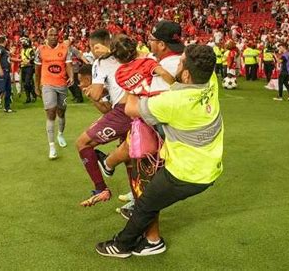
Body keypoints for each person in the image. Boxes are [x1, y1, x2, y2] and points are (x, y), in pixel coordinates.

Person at [96, 44, 224, 258]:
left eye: (181, 61)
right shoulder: (210, 81)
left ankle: (123, 245)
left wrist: (132, 84)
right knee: (151, 200)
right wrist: (156, 70)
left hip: (186, 173)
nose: (177, 62)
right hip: (209, 166)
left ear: (185, 73)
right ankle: (149, 240)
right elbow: (177, 84)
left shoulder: (172, 102)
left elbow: (130, 109)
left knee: (145, 203)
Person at [76, 29, 132, 206]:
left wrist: (91, 91)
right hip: (140, 108)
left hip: (125, 111)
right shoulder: (128, 55)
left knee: (82, 143)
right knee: (129, 156)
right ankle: (136, 197)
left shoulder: (100, 63)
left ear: (95, 46)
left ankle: (101, 188)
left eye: (92, 46)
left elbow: (97, 93)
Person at [34, 28, 73, 159]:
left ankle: (60, 134)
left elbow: (68, 65)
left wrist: (71, 76)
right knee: (51, 112)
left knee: (61, 112)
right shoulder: (40, 50)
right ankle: (52, 147)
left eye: (55, 35)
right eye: (50, 34)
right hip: (47, 84)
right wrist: (36, 86)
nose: (53, 37)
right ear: (46, 36)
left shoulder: (64, 48)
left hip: (62, 84)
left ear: (58, 36)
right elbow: (37, 69)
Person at [20, 37, 36, 103]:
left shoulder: (30, 49)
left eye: (23, 42)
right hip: (23, 67)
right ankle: (28, 98)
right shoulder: (22, 50)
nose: (22, 43)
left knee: (27, 82)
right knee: (25, 83)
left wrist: (28, 61)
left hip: (29, 67)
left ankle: (33, 94)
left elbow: (33, 57)